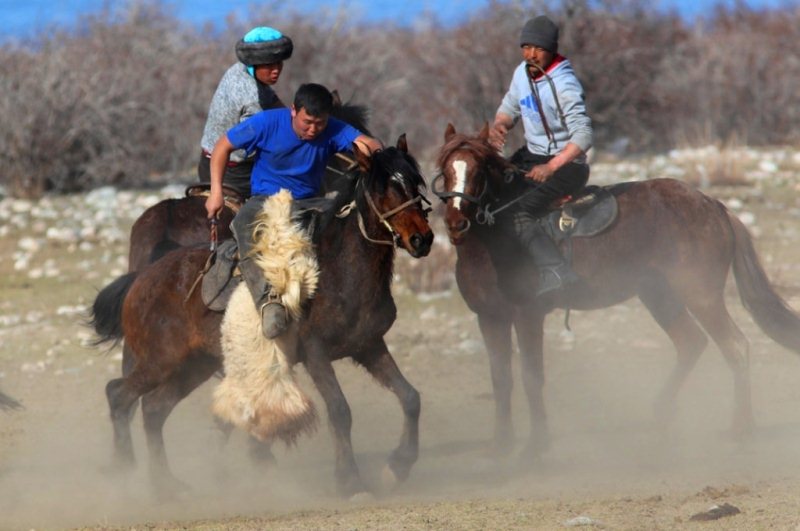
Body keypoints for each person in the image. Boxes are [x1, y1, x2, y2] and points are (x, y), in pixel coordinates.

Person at [205, 83, 383, 338]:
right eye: (307, 122)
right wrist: (216, 192)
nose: (313, 129)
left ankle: (349, 295)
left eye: (319, 124)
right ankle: (268, 303)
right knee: (244, 224)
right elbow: (222, 146)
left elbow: (368, 143)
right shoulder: (266, 122)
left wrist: (373, 150)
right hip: (266, 199)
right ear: (293, 111)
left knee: (347, 222)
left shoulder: (333, 128)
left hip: (310, 200)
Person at [488, 15, 593, 298]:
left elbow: (584, 136)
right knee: (492, 196)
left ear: (552, 50)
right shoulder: (522, 72)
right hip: (531, 155)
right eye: (526, 47)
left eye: (538, 48)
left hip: (566, 165)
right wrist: (501, 125)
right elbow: (509, 107)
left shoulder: (564, 83)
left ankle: (556, 269)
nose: (531, 54)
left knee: (516, 211)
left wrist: (552, 166)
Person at [198, 26, 294, 197]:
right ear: (254, 63)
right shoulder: (251, 100)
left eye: (279, 63)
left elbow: (273, 102)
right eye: (269, 65)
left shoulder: (241, 69)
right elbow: (263, 142)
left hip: (209, 160)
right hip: (232, 173)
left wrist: (292, 118)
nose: (276, 70)